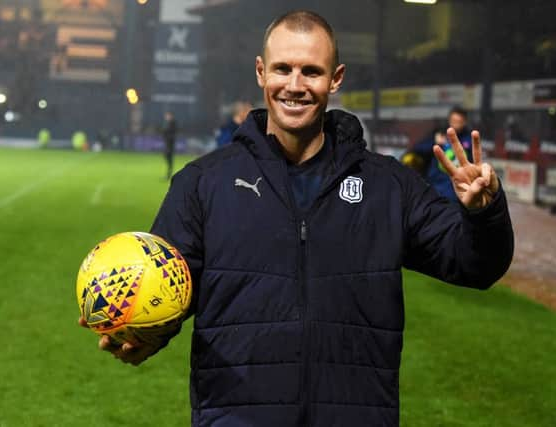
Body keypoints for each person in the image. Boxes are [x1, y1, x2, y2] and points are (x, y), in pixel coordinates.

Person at [81, 10, 513, 427]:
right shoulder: (202, 184)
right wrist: (143, 339)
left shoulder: (388, 186)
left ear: (335, 79)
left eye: (311, 71)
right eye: (282, 69)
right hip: (237, 417)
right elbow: (168, 287)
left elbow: (475, 265)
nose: (295, 85)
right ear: (260, 72)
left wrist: (484, 212)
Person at [403, 106, 473, 202]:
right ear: (449, 120)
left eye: (458, 122)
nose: (455, 125)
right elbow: (418, 149)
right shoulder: (439, 134)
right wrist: (435, 142)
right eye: (453, 121)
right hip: (436, 188)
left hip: (458, 193)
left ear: (464, 122)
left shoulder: (469, 139)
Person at [162, 111, 177, 180]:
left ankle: (169, 174)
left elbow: (171, 133)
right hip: (168, 144)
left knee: (169, 159)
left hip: (170, 144)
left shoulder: (172, 123)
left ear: (170, 116)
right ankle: (169, 174)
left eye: (167, 115)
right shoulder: (169, 123)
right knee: (167, 158)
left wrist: (166, 135)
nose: (166, 117)